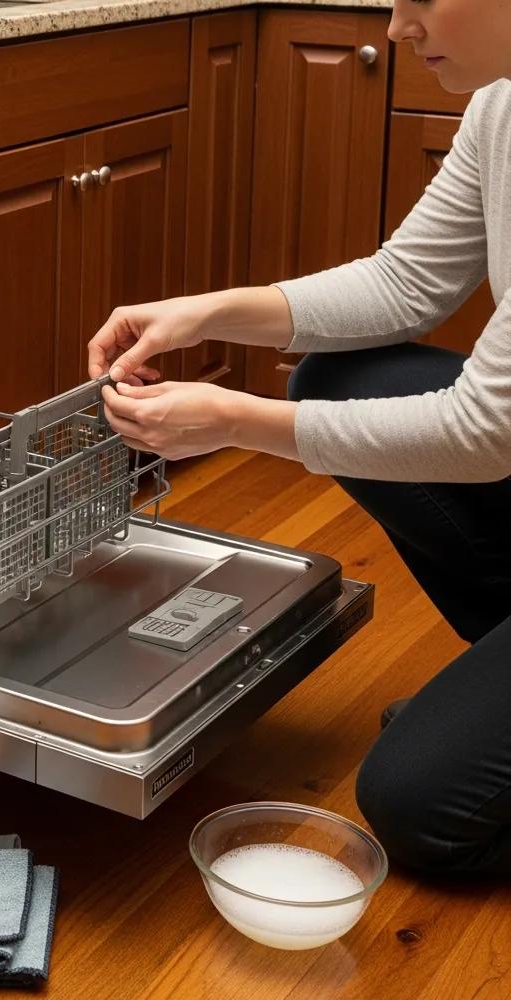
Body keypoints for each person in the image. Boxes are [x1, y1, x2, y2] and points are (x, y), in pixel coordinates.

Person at [86, 0, 511, 875]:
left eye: (422, 0)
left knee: (416, 805)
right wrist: (205, 313)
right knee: (334, 373)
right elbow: (404, 285)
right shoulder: (501, 106)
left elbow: (487, 429)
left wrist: (234, 419)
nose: (396, 28)